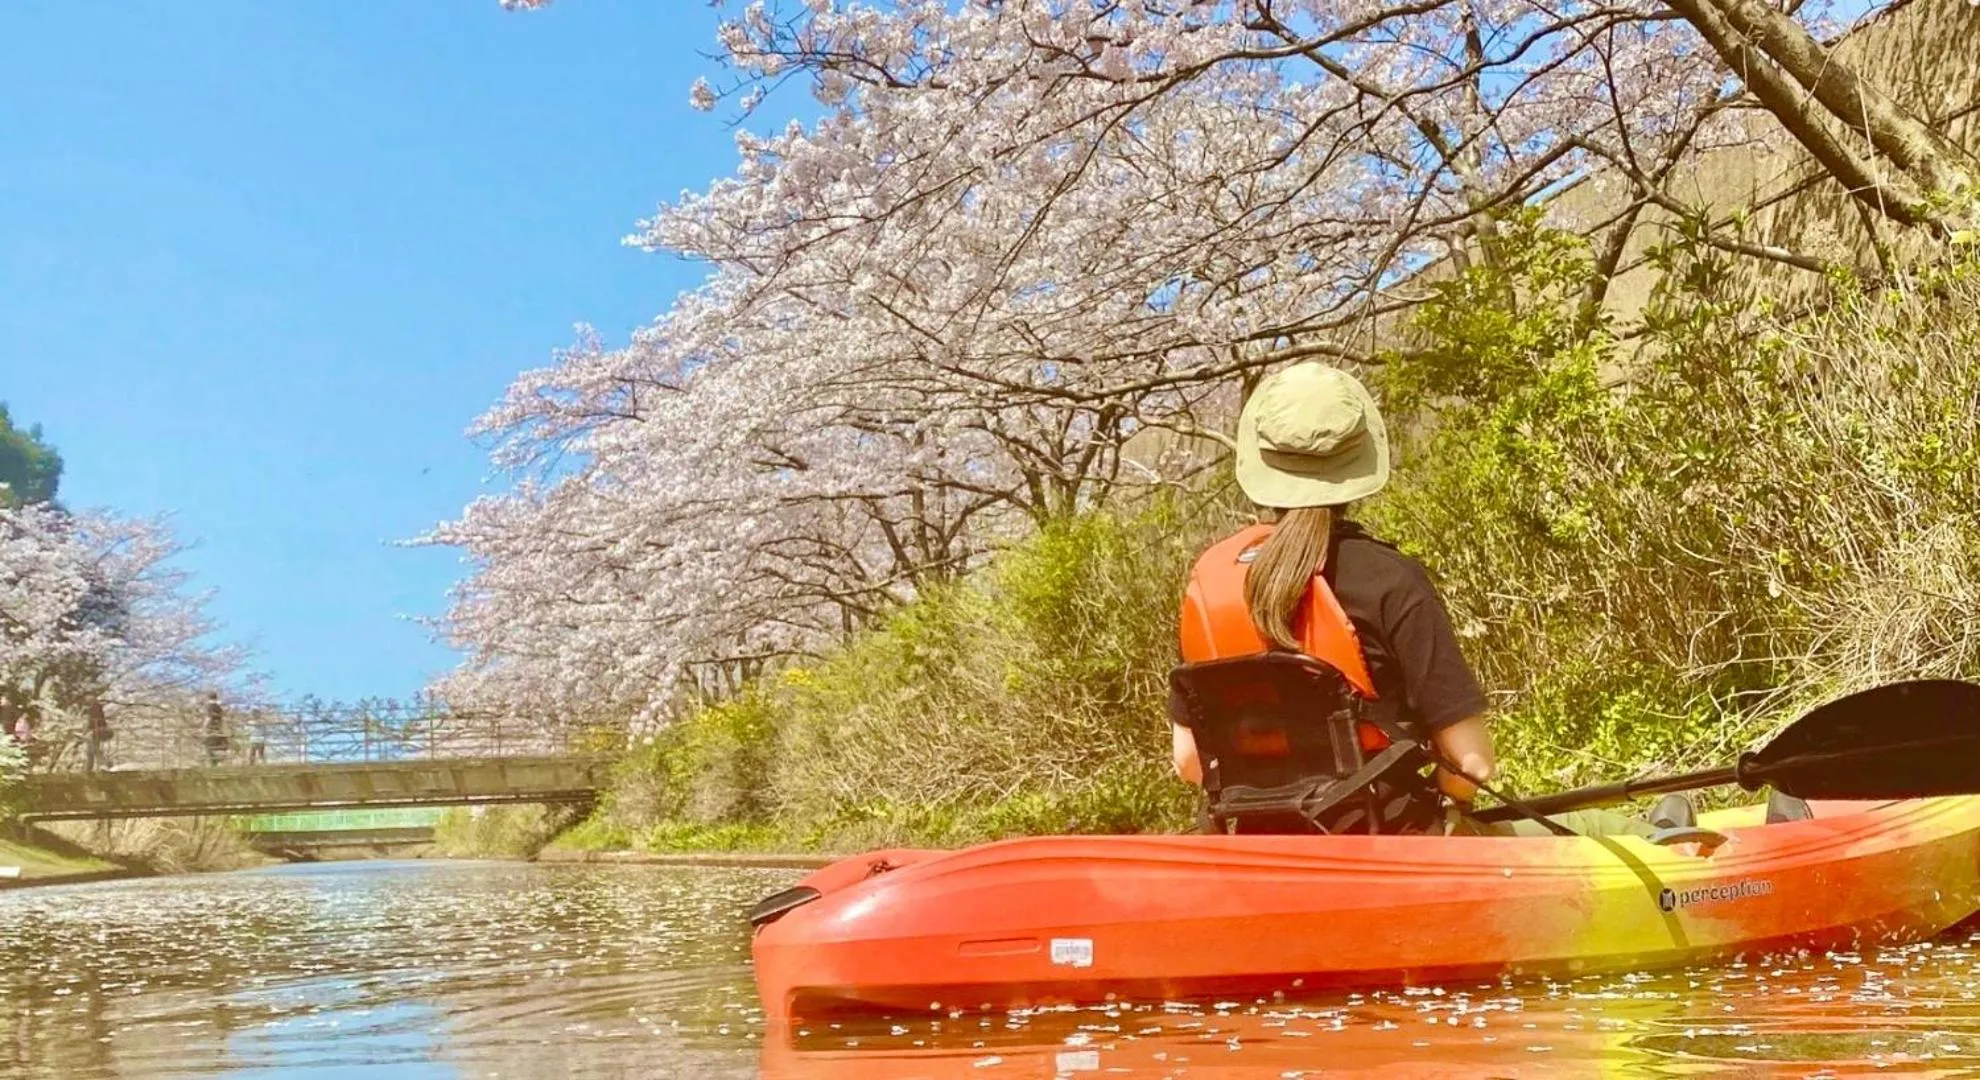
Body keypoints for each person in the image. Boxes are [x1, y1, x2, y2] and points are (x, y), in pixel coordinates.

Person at [1169, 362, 1676, 838]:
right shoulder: (1388, 579)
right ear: (1358, 462)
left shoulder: (1212, 583)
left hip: (1268, 856)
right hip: (1396, 844)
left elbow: (1190, 763)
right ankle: (1671, 843)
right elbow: (1472, 766)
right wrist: (1446, 803)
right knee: (1601, 830)